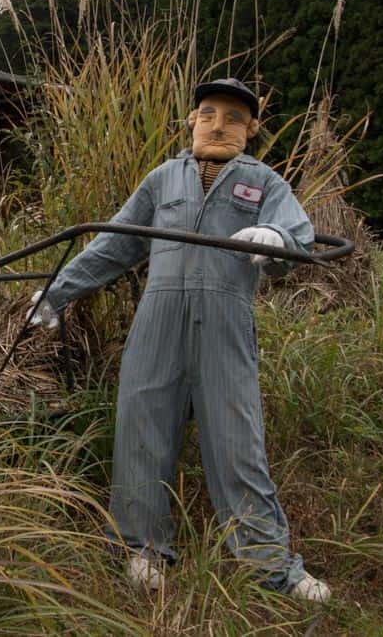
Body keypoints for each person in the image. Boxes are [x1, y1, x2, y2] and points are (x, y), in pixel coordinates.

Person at [28, 78, 330, 602]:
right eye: (208, 113)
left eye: (234, 117)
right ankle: (141, 549)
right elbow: (117, 241)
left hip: (224, 322)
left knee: (239, 440)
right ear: (191, 119)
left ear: (252, 129)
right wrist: (57, 292)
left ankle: (269, 564)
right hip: (157, 320)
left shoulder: (264, 183)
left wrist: (275, 239)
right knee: (141, 427)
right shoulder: (164, 178)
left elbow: (298, 235)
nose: (218, 124)